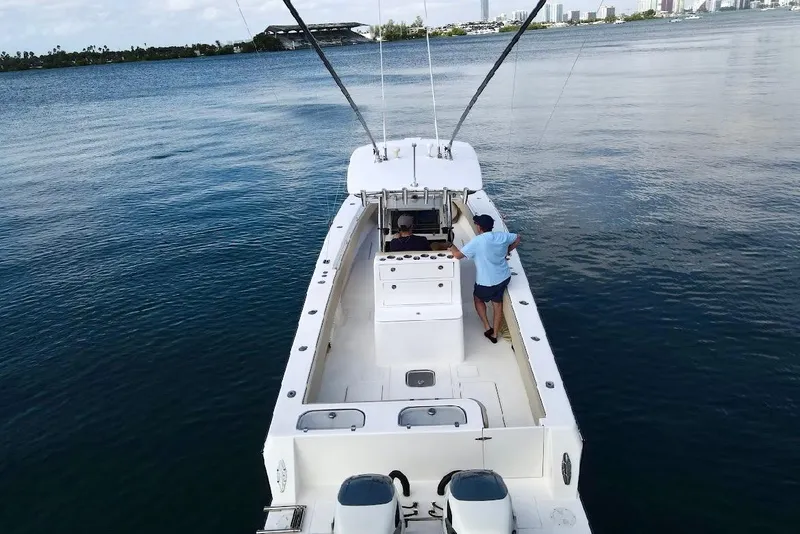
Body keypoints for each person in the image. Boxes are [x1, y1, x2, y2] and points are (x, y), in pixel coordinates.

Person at [450, 214, 521, 344]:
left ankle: (487, 327)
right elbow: (517, 237)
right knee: (497, 304)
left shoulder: (478, 241)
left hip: (486, 282)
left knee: (478, 299)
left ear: (479, 227)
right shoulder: (501, 236)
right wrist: (507, 251)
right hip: (504, 277)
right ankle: (494, 335)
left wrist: (449, 245)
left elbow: (458, 256)